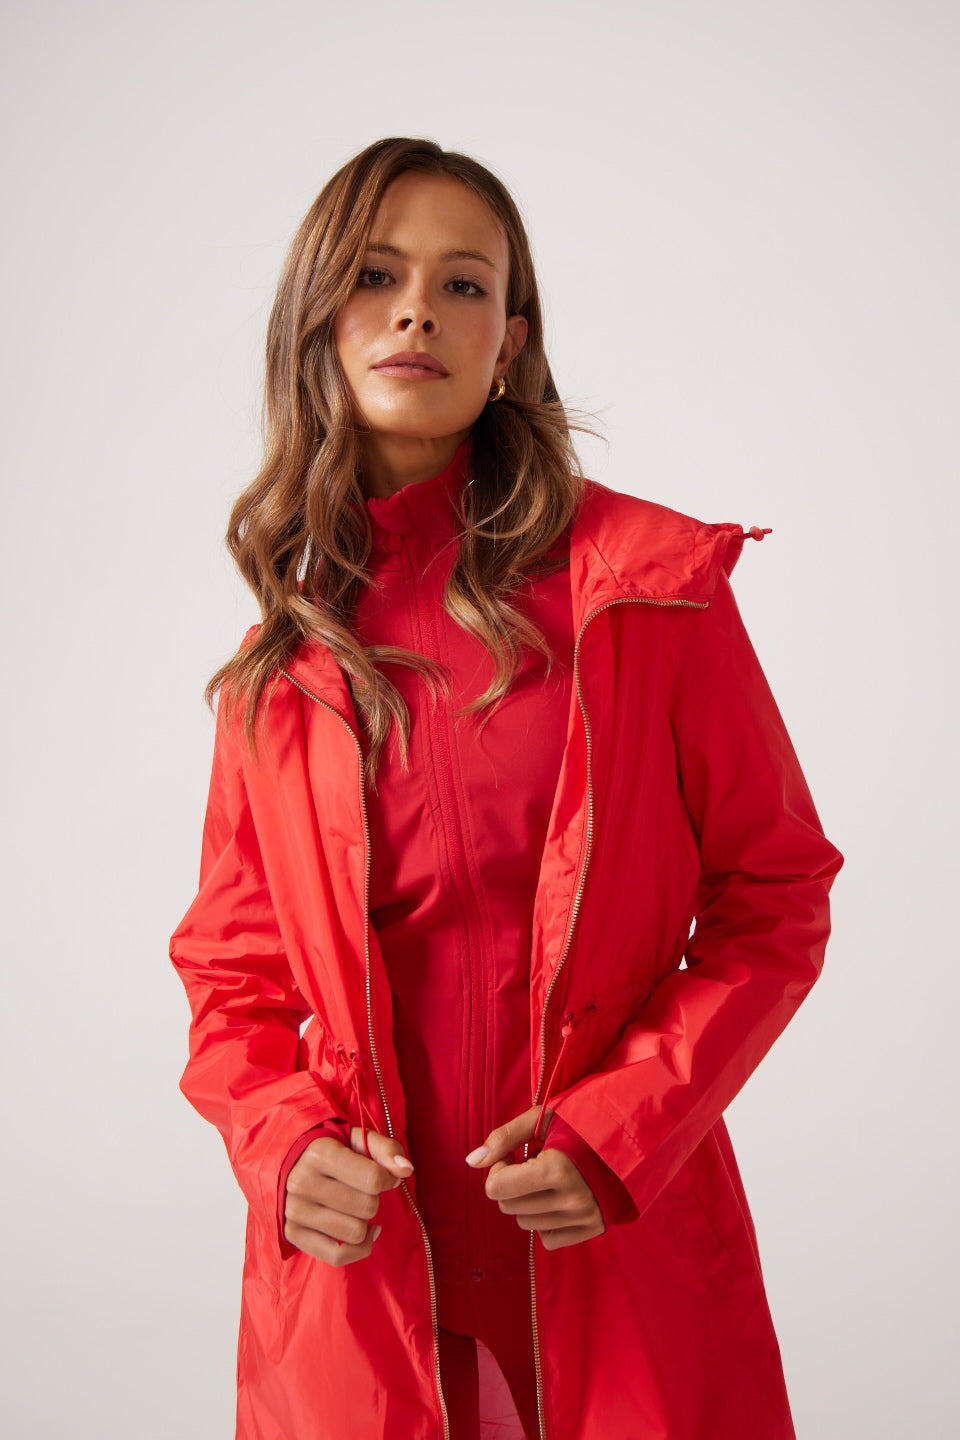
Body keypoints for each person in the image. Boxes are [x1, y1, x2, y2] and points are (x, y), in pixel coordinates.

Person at [169, 136, 844, 1440]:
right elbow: (231, 978)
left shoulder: (644, 593)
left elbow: (776, 892)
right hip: (365, 1279)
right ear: (318, 321)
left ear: (511, 342)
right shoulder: (283, 665)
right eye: (375, 275)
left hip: (613, 1245)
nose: (417, 310)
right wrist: (281, 1144)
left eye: (463, 283)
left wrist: (624, 1129)